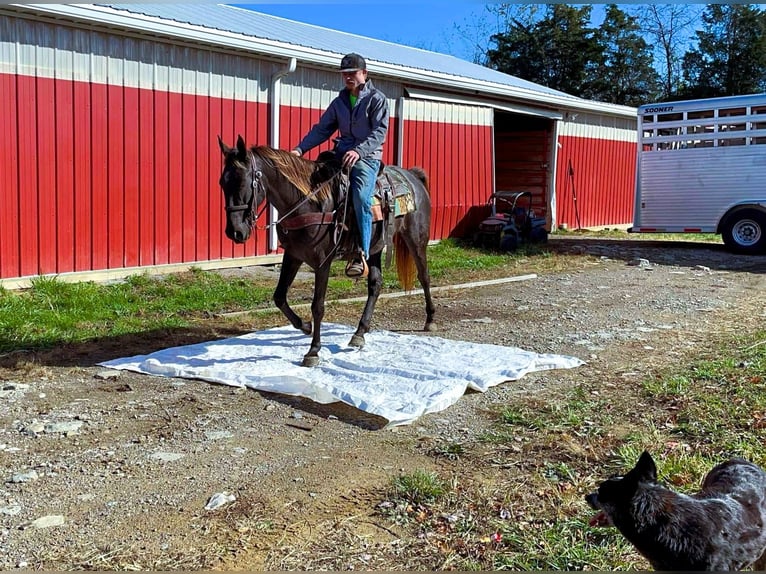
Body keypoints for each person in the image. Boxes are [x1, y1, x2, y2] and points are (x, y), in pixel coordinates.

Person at [290, 53, 389, 278]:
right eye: (344, 74)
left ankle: (360, 252)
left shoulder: (377, 99)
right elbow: (322, 129)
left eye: (352, 73)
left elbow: (379, 132)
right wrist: (300, 149)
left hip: (367, 157)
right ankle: (324, 241)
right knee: (316, 184)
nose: (348, 78)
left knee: (361, 197)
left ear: (364, 73)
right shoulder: (340, 102)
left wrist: (359, 151)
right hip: (341, 154)